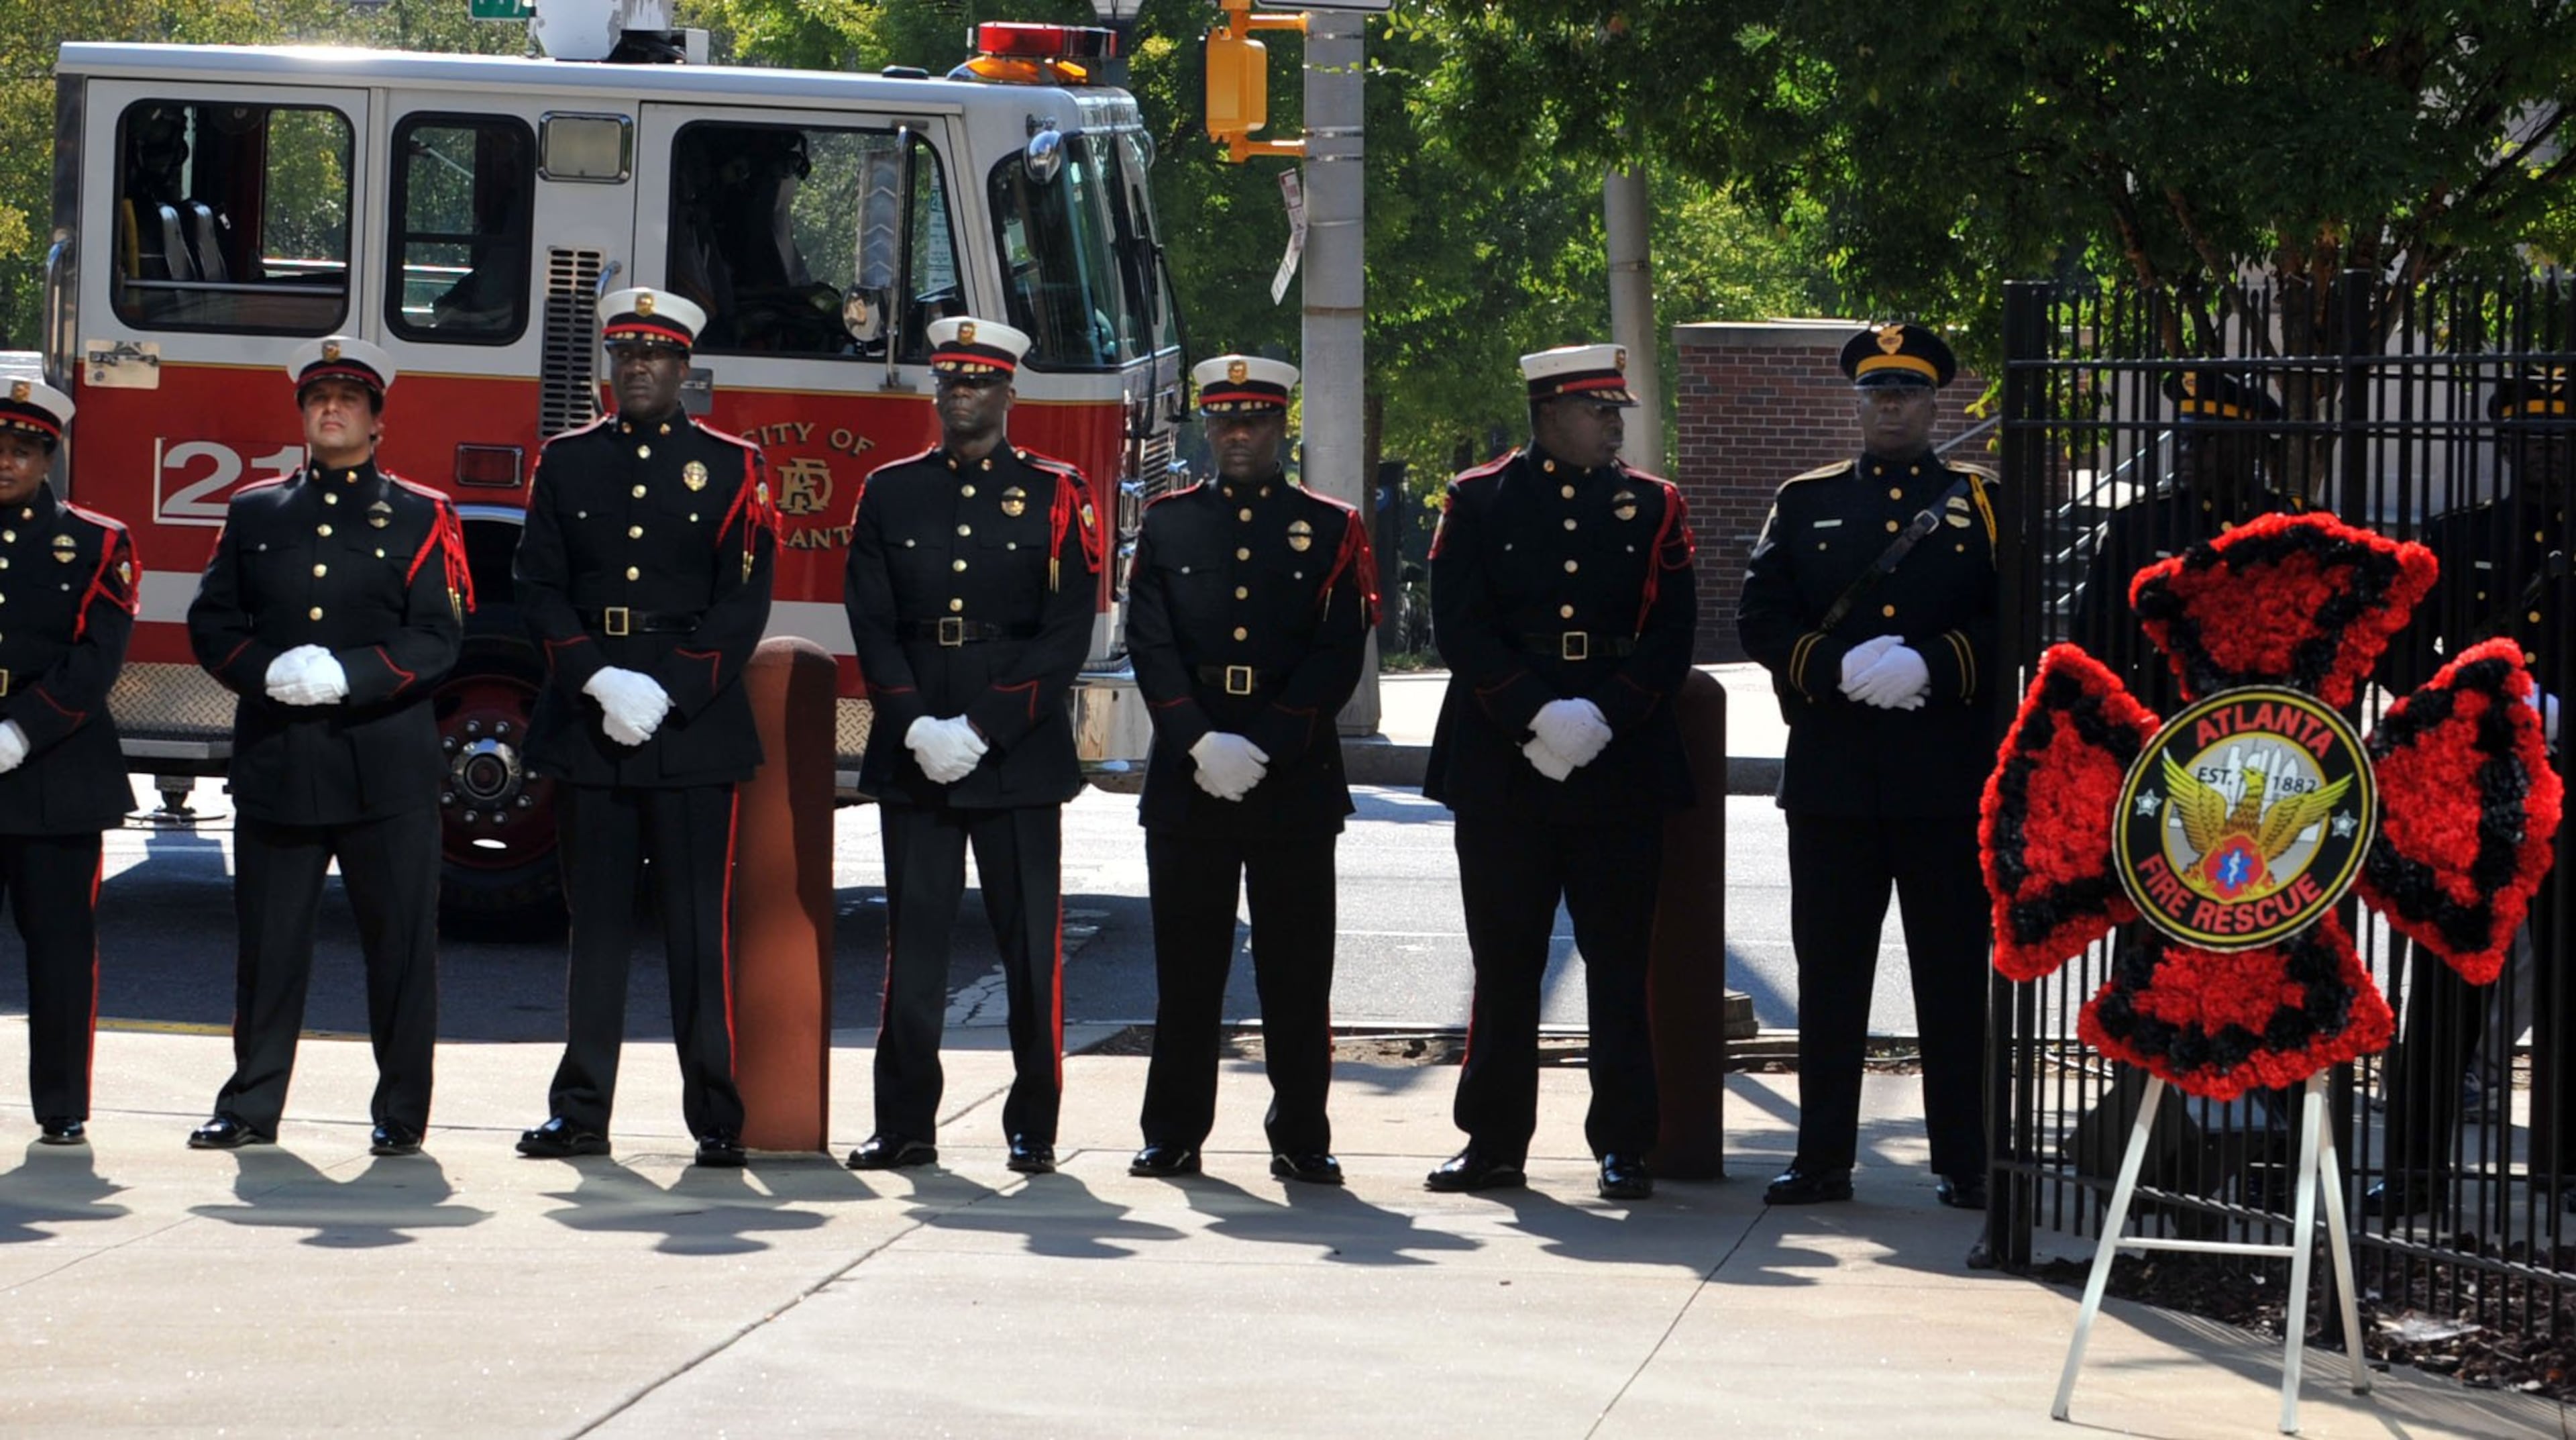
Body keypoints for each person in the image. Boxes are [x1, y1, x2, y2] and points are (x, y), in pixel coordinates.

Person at [1420, 343, 1697, 1202]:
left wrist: (1602, 714)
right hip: (1505, 757)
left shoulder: (1654, 504)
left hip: (1620, 758)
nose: (1615, 424)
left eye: (1617, 410)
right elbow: (1458, 627)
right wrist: (1536, 713)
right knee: (1504, 964)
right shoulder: (1478, 497)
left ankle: (1624, 1143)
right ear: (1548, 414)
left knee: (1620, 963)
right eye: (1598, 410)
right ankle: (1494, 1142)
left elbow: (1672, 633)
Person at [184, 338, 470, 1155]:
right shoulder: (255, 512)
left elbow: (439, 637)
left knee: (401, 949)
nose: (332, 409)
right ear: (304, 416)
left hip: (384, 764)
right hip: (281, 758)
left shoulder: (423, 515)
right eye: (318, 399)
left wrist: (348, 675)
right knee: (268, 949)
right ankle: (249, 1106)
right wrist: (268, 671)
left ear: (378, 419)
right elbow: (213, 623)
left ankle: (401, 1114)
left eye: (349, 398)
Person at [512, 288, 775, 1170]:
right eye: (625, 354)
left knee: (698, 931)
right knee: (598, 929)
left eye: (655, 357)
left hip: (690, 724)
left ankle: (717, 1115)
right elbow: (538, 584)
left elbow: (743, 604)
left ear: (684, 370)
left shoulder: (735, 467)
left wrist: (669, 690)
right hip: (593, 717)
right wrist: (595, 676)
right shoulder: (566, 462)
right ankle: (581, 1110)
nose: (638, 369)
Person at [1735, 321, 1996, 1208]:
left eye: (1907, 393)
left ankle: (1967, 1157)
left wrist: (1938, 660)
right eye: (1876, 393)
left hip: (1944, 776)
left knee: (1954, 971)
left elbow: (2017, 621)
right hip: (1835, 778)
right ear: (1858, 404)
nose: (1890, 406)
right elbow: (1760, 618)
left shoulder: (1980, 501)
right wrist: (1830, 664)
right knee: (1832, 971)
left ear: (1935, 404)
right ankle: (1821, 1158)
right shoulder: (1805, 500)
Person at [841, 315, 1102, 1175]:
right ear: (936, 390)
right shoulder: (888, 492)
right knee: (912, 949)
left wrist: (983, 726)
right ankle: (905, 1123)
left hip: (1015, 753)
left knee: (1030, 952)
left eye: (981, 381)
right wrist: (914, 721)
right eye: (951, 380)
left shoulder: (1059, 492)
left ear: (1009, 393)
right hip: (917, 745)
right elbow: (873, 623)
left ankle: (1033, 1125)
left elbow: (1065, 634)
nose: (964, 394)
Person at [1124, 355, 1375, 1185]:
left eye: (1256, 419)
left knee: (1298, 973)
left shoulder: (1331, 526)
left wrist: (1264, 742)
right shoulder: (1165, 524)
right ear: (1206, 424)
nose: (1238, 433)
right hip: (1189, 776)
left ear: (1282, 427)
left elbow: (1338, 653)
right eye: (1225, 419)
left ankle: (1302, 1132)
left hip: (1292, 775)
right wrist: (1199, 741)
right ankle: (1173, 1131)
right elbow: (1151, 644)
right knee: (1186, 971)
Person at [2370, 364, 2571, 1217]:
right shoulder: (2457, 536)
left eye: (2556, 442)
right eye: (2523, 440)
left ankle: (2564, 1169)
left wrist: (2557, 709)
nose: (2539, 458)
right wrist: (2465, 701)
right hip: (2470, 793)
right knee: (2447, 984)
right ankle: (2416, 1172)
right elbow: (2395, 650)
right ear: (2499, 445)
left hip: (2565, 786)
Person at [0, 379, 136, 1145]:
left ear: (48, 456)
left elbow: (98, 658)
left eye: (22, 450)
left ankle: (62, 1107)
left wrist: (22, 730)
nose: (6, 462)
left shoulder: (95, 540)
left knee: (59, 952)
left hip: (55, 770)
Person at [2070, 370, 2307, 707]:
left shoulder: (2288, 524)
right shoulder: (2140, 523)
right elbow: (2098, 642)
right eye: (2181, 436)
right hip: (2164, 719)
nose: (2187, 450)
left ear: (2249, 446)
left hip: (2263, 724)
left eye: (2206, 438)